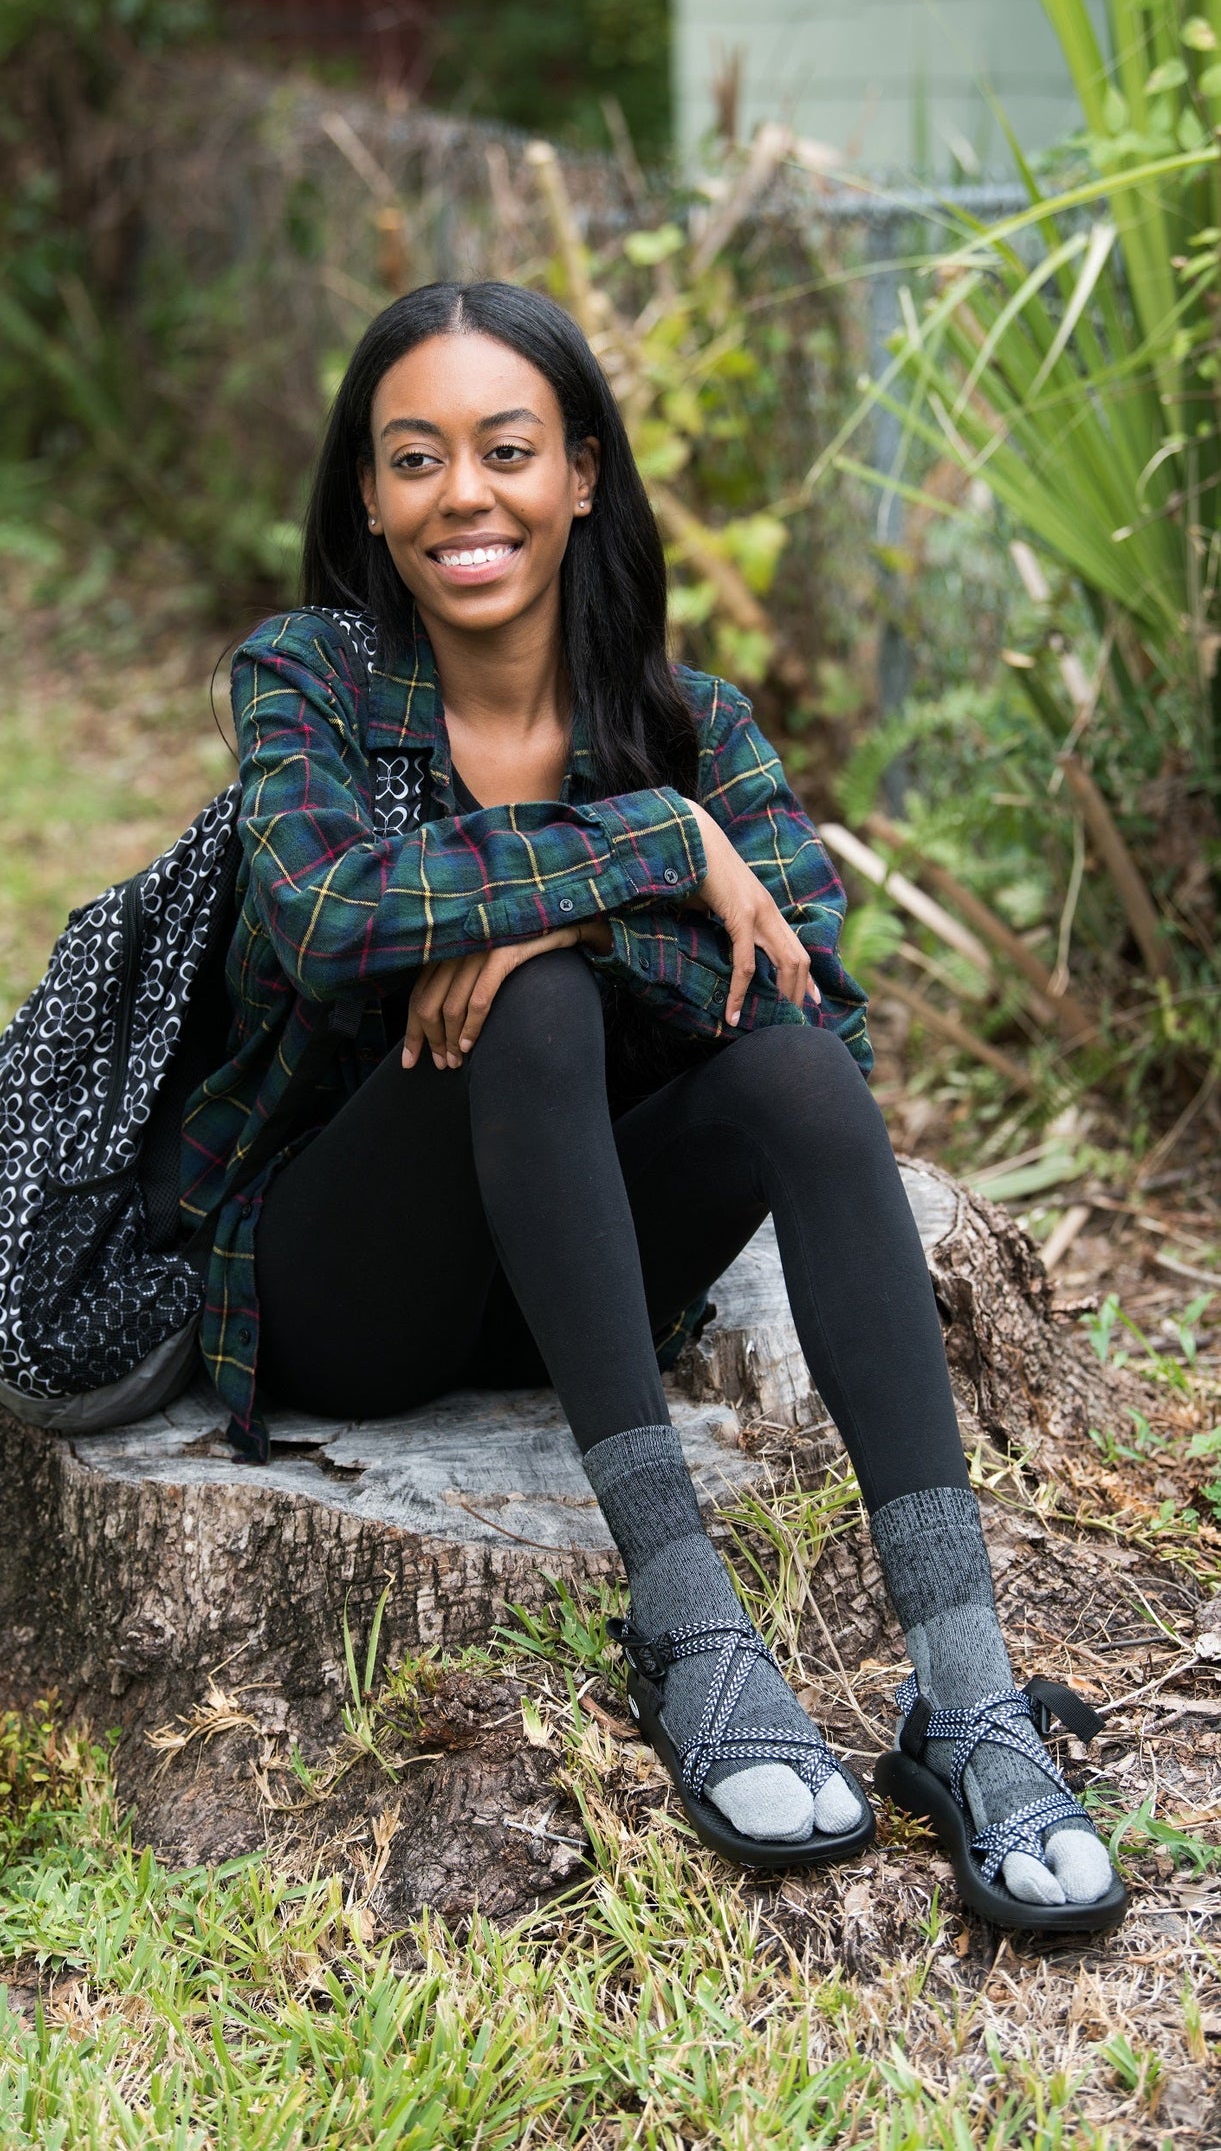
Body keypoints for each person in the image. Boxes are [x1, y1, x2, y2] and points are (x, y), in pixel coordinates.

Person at [181, 279, 1126, 1932]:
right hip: (357, 1285)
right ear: (367, 496)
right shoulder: (305, 678)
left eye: (505, 449)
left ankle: (961, 1696)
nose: (460, 495)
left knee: (779, 1068)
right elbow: (325, 908)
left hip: (592, 1278)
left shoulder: (691, 725)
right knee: (529, 1003)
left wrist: (537, 896)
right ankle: (691, 1632)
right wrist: (653, 854)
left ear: (584, 474)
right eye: (413, 459)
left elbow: (804, 986)